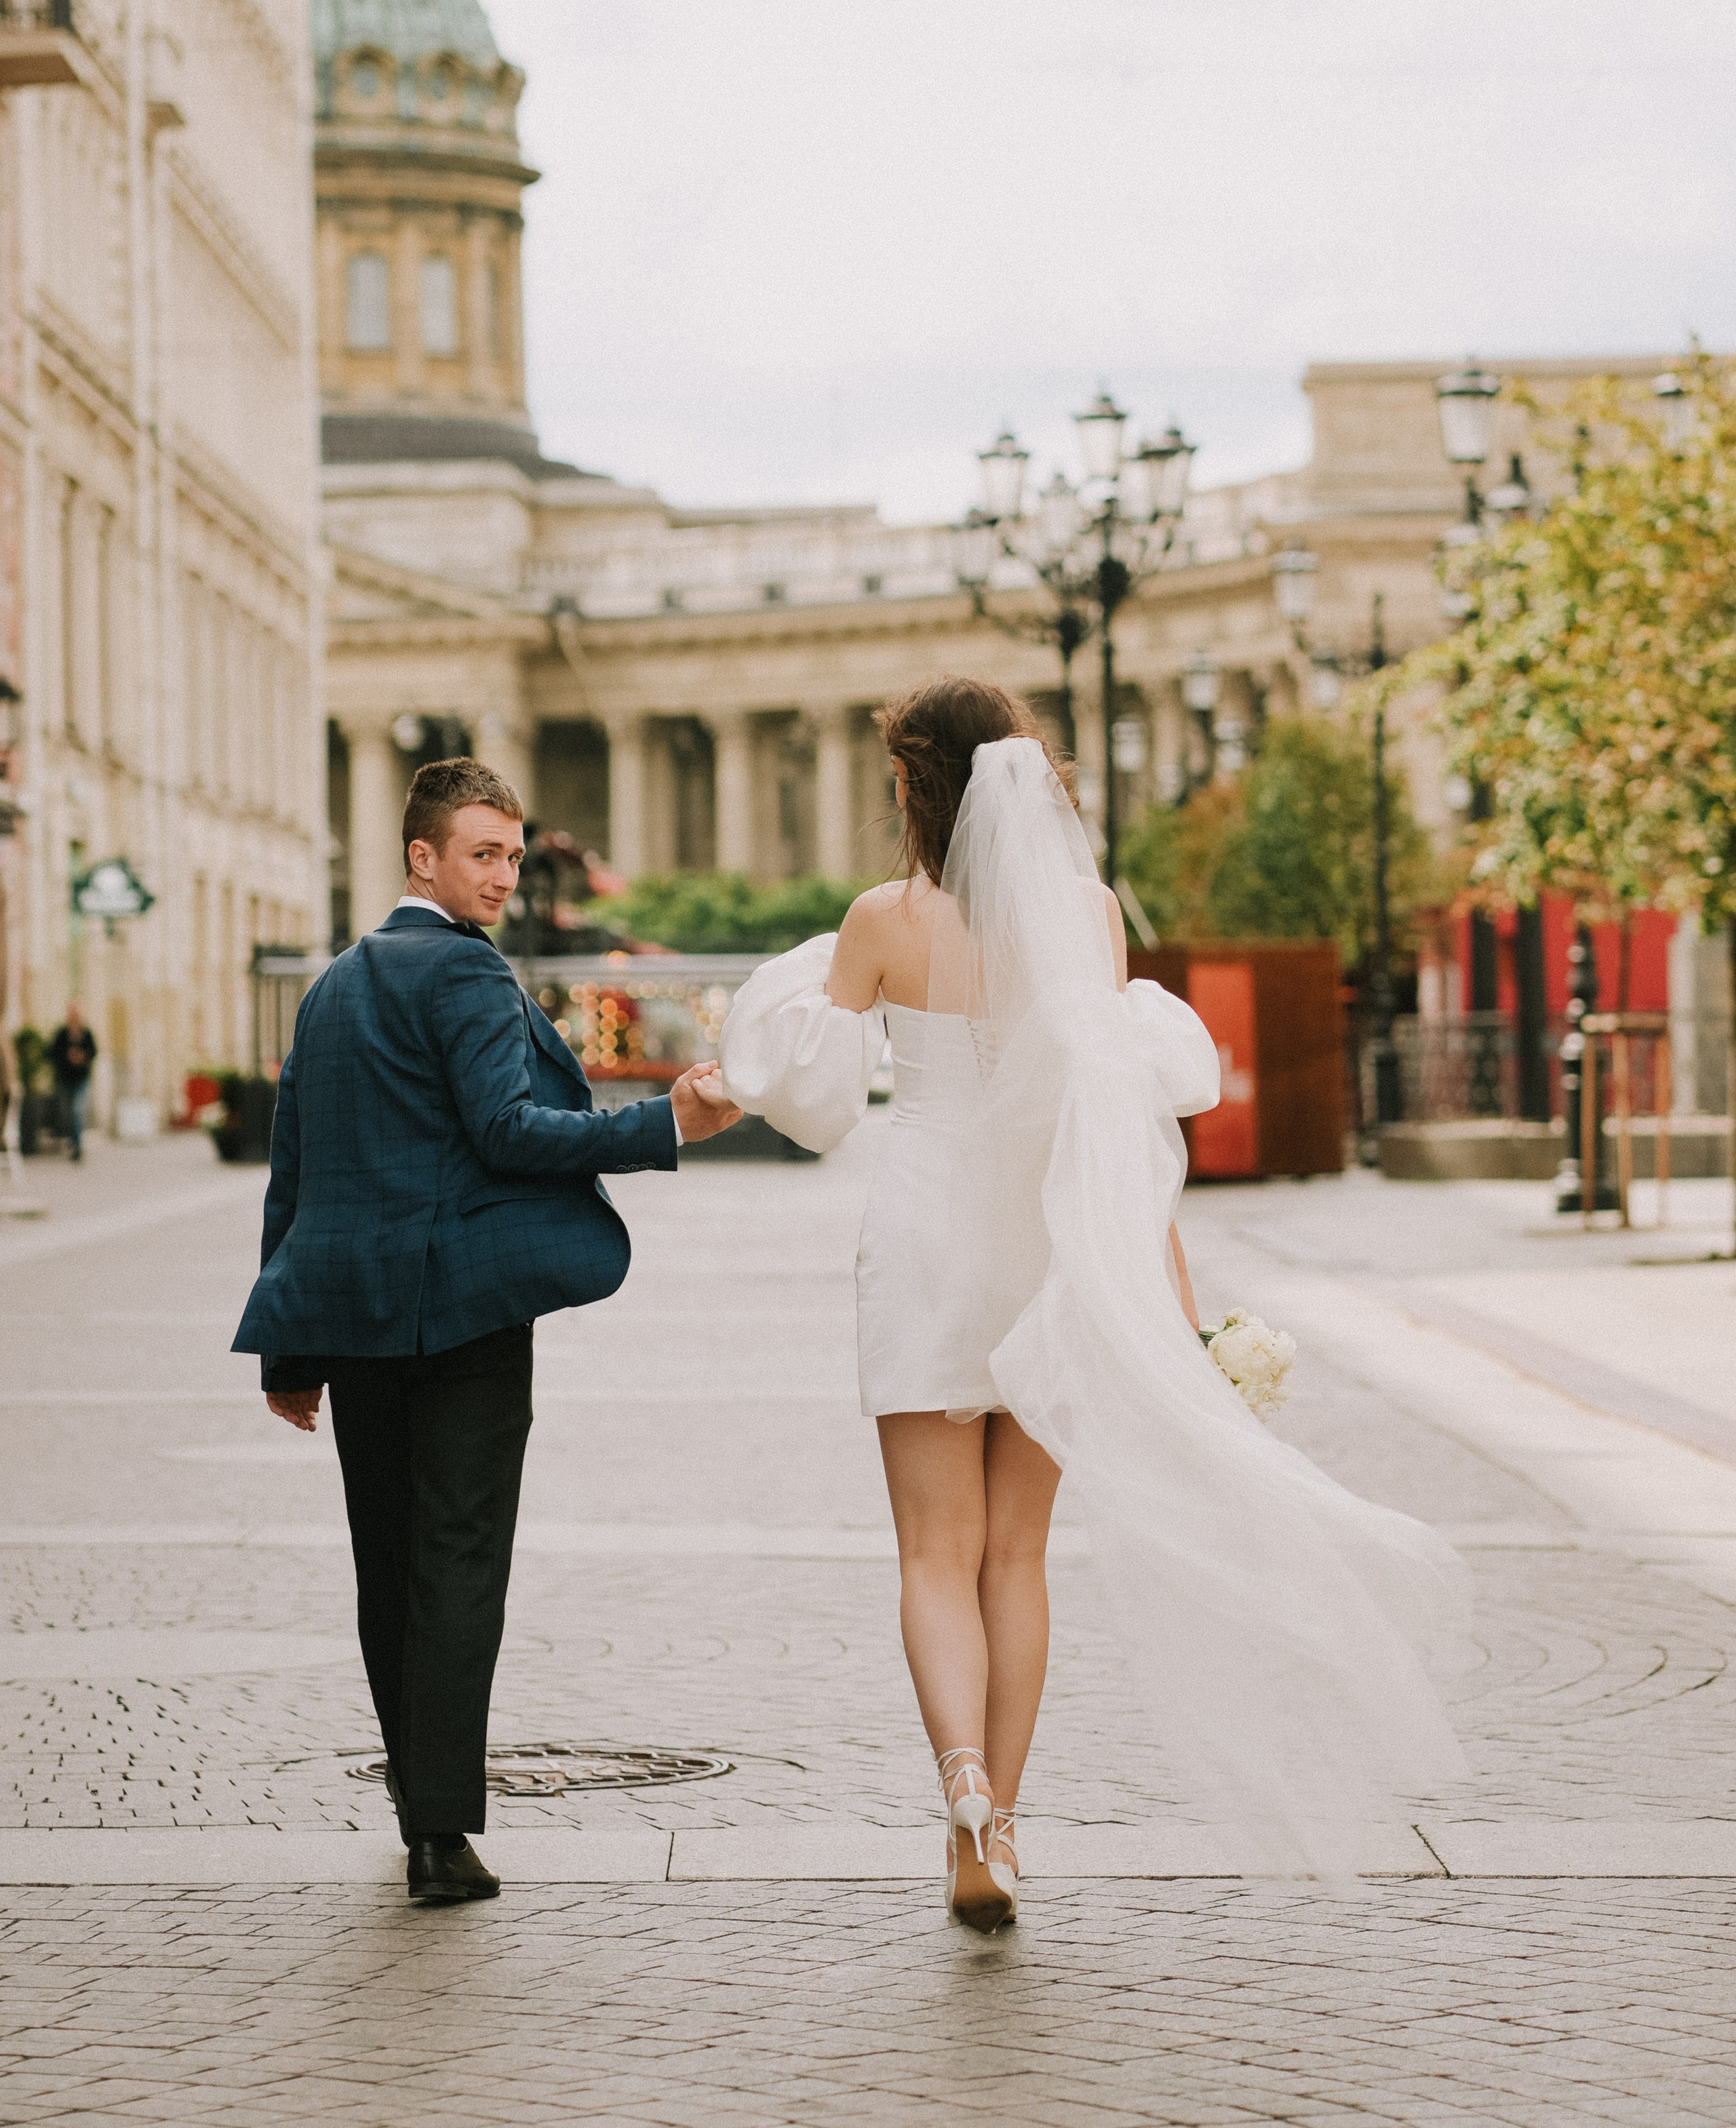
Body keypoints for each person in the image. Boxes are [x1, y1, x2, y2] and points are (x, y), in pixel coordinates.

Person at [720, 676, 1469, 1931]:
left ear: (919, 788)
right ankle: (1003, 1827)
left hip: (924, 1234)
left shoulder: (881, 921)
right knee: (1017, 1556)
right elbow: (1117, 1117)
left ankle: (959, 1779)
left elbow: (814, 1097)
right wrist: (1167, 1291)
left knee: (933, 1553)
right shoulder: (1084, 914)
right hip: (1049, 1237)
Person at [230, 757, 740, 1905]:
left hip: (355, 1321)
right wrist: (667, 1123)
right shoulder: (463, 968)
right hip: (461, 1314)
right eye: (482, 854)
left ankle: (419, 1809)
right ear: (423, 856)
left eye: (511, 853)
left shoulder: (333, 984)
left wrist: (290, 1348)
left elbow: (294, 1169)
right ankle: (441, 1834)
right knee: (457, 1561)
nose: (504, 876)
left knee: (387, 1566)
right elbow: (509, 1131)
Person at [48, 1006, 97, 1161]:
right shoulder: (62, 1034)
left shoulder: (86, 1034)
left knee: (77, 1110)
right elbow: (52, 1053)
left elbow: (93, 1052)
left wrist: (82, 1057)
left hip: (80, 1079)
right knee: (66, 1113)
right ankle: (71, 1140)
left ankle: (77, 1145)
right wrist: (68, 1057)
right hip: (64, 1079)